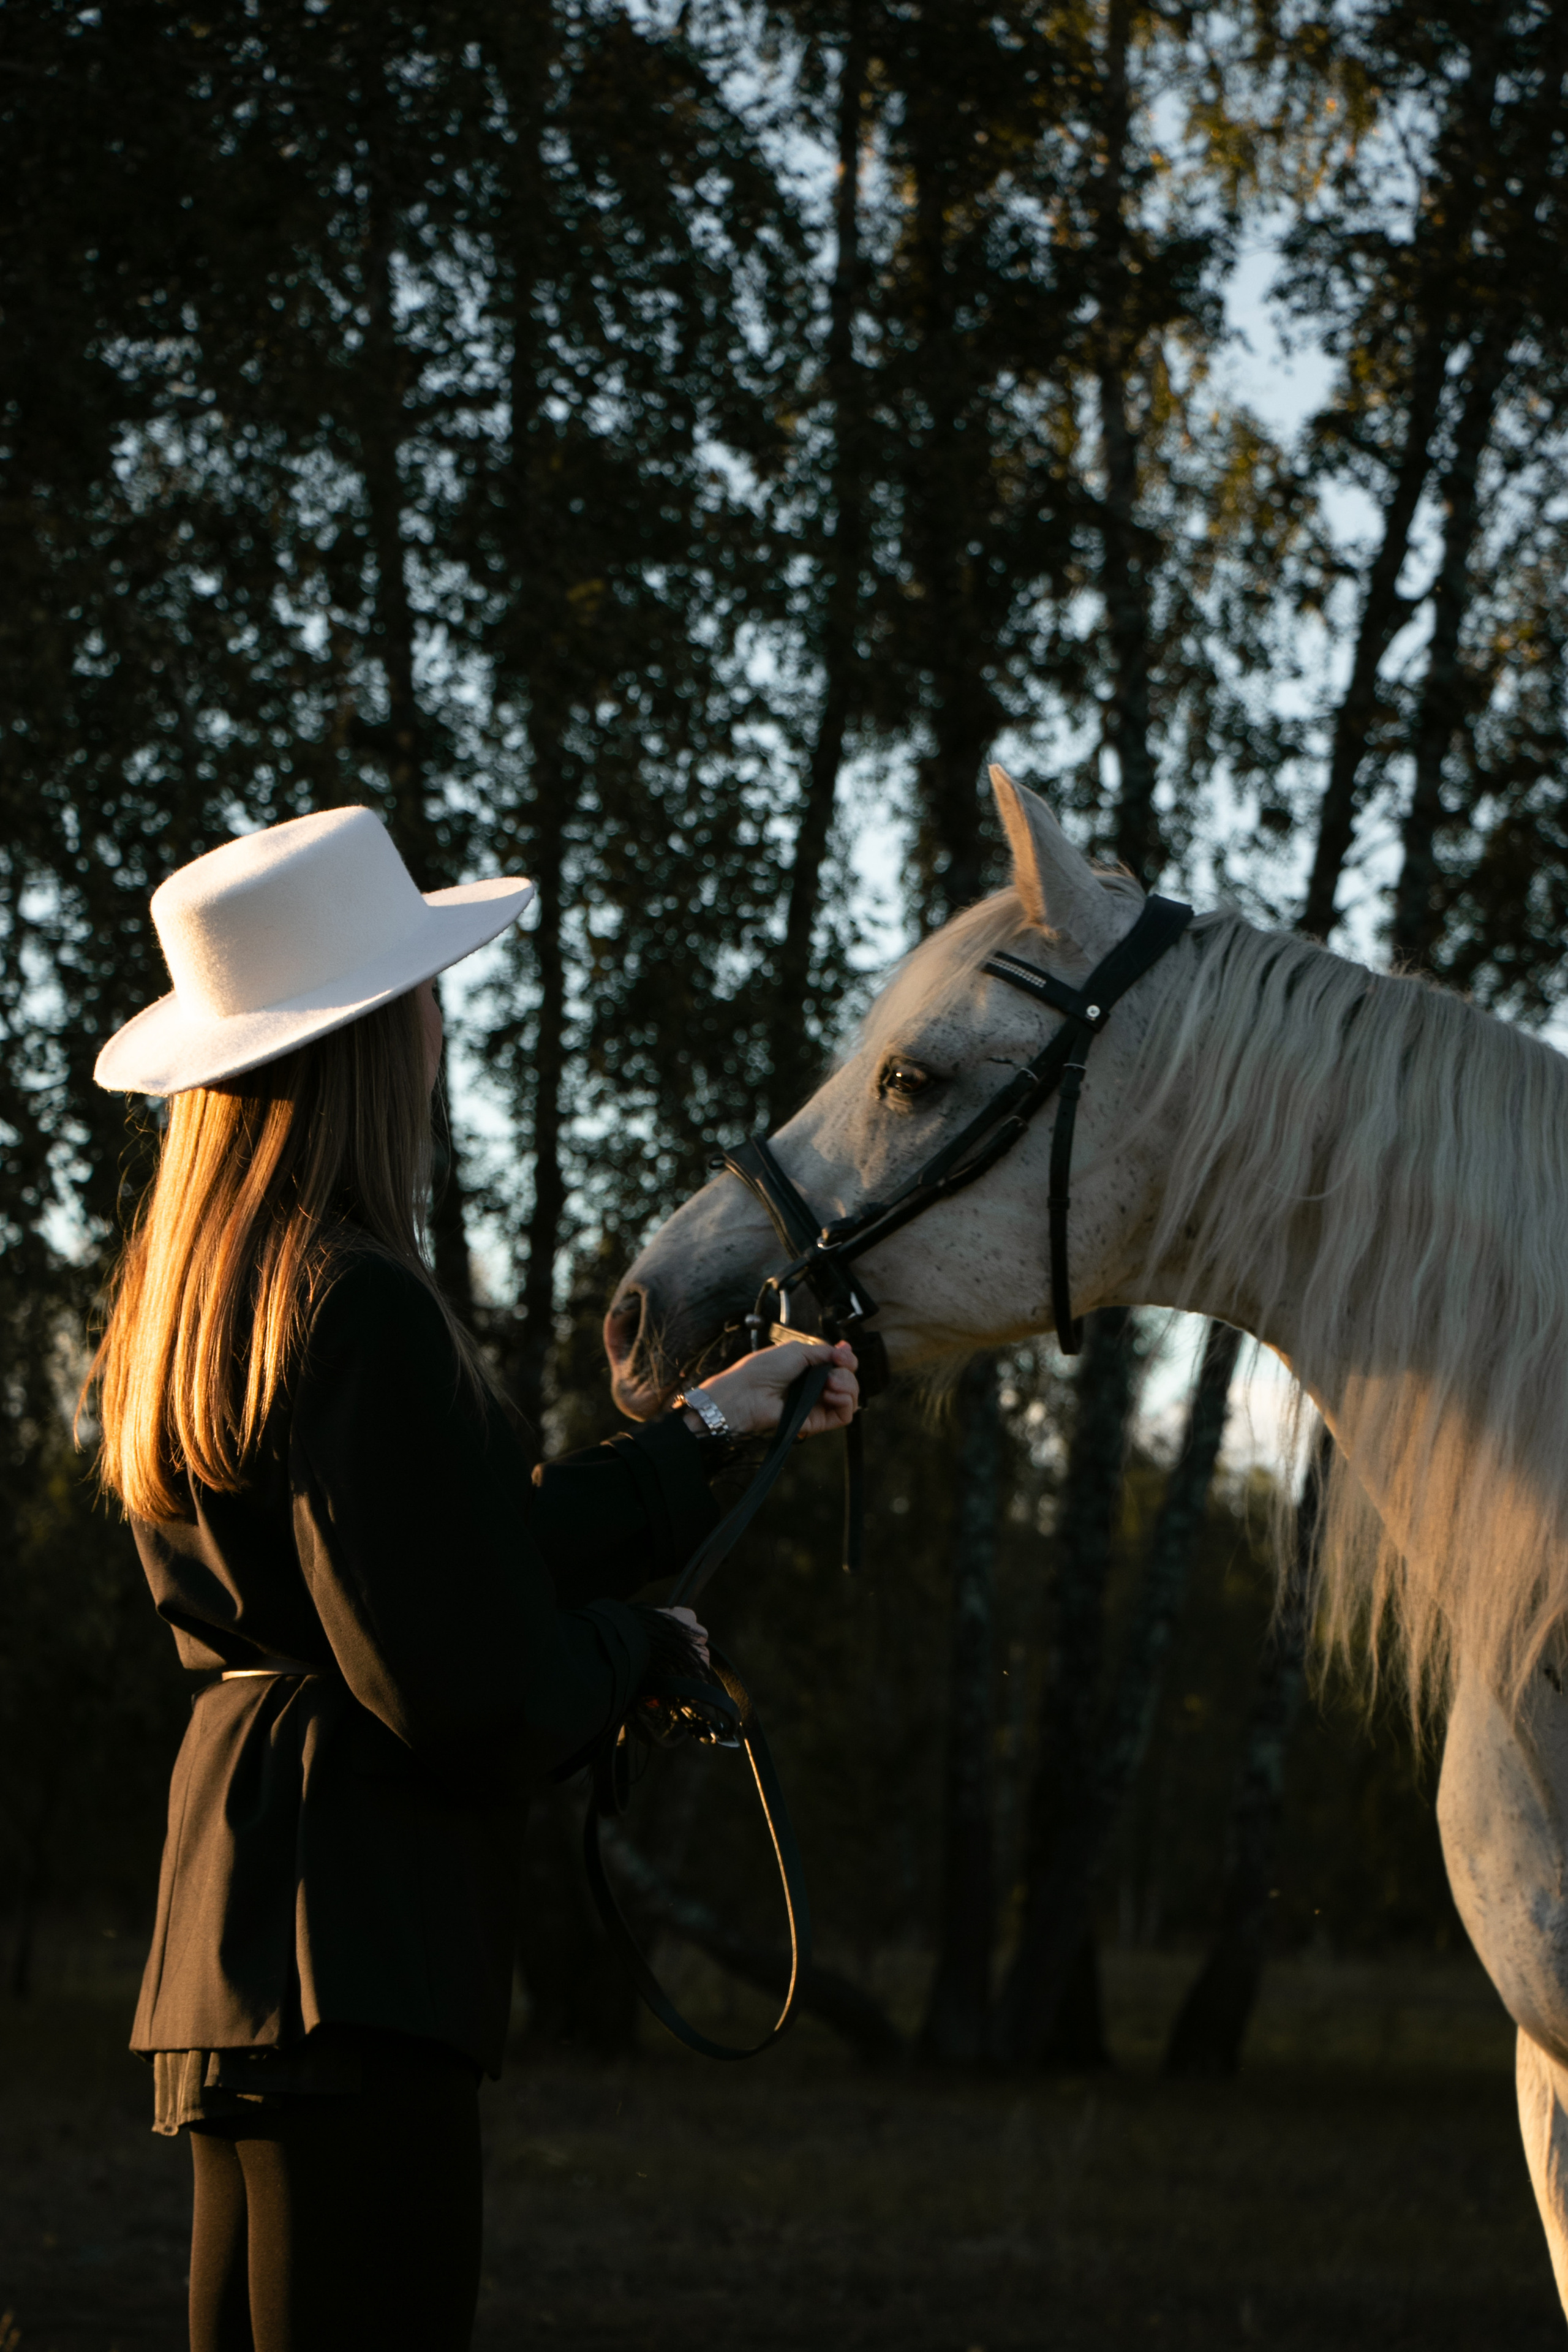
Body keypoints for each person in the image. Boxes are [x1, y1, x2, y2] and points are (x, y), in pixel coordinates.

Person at [85, 805, 858, 2352]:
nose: (440, 1031)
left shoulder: (215, 1308)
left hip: (236, 1936)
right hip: (355, 1945)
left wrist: (712, 1423)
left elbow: (448, 1552)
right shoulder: (358, 1303)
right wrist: (631, 1658)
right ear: (372, 1040)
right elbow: (461, 1677)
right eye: (421, 999)